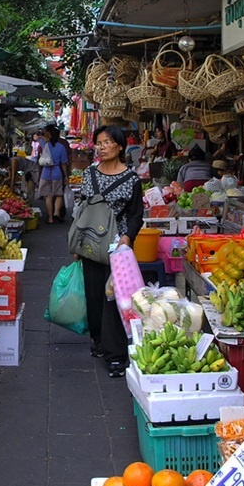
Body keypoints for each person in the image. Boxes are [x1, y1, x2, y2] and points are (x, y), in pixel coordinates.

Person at [75, 125, 144, 378]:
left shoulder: (132, 179)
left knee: (114, 297)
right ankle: (99, 339)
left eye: (107, 142)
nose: (101, 147)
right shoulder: (89, 174)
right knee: (94, 294)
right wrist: (77, 243)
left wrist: (127, 238)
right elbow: (81, 209)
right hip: (91, 244)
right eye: (99, 143)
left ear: (120, 146)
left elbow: (136, 215)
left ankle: (116, 355)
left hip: (118, 247)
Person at [37, 125, 69, 224]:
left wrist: (45, 135)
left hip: (46, 173)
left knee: (49, 196)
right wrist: (66, 176)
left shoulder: (44, 144)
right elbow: (64, 163)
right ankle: (56, 213)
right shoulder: (61, 147)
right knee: (58, 194)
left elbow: (38, 136)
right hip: (57, 173)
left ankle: (50, 218)